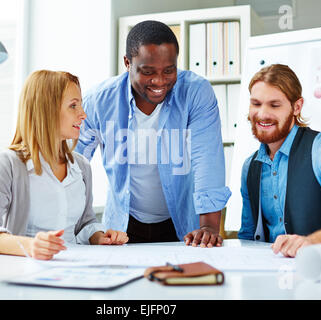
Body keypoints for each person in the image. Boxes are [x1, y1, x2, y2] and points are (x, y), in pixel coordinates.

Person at [75, 20, 231, 247]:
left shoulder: (196, 93)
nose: (159, 81)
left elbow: (207, 159)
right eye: (148, 72)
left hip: (181, 225)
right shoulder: (98, 101)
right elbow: (73, 165)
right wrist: (75, 228)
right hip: (121, 227)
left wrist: (208, 226)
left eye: (169, 70)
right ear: (127, 62)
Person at [0, 70, 128, 260]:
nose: (83, 114)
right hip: (26, 270)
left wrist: (99, 237)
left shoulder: (82, 166)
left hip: (76, 268)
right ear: (47, 109)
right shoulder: (7, 164)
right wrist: (29, 245)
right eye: (73, 106)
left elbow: (85, 223)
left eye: (81, 105)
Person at [238, 64, 321, 257]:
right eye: (256, 103)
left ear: (297, 107)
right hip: (271, 273)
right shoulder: (250, 166)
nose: (262, 114)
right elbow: (247, 235)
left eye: (274, 105)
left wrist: (312, 242)